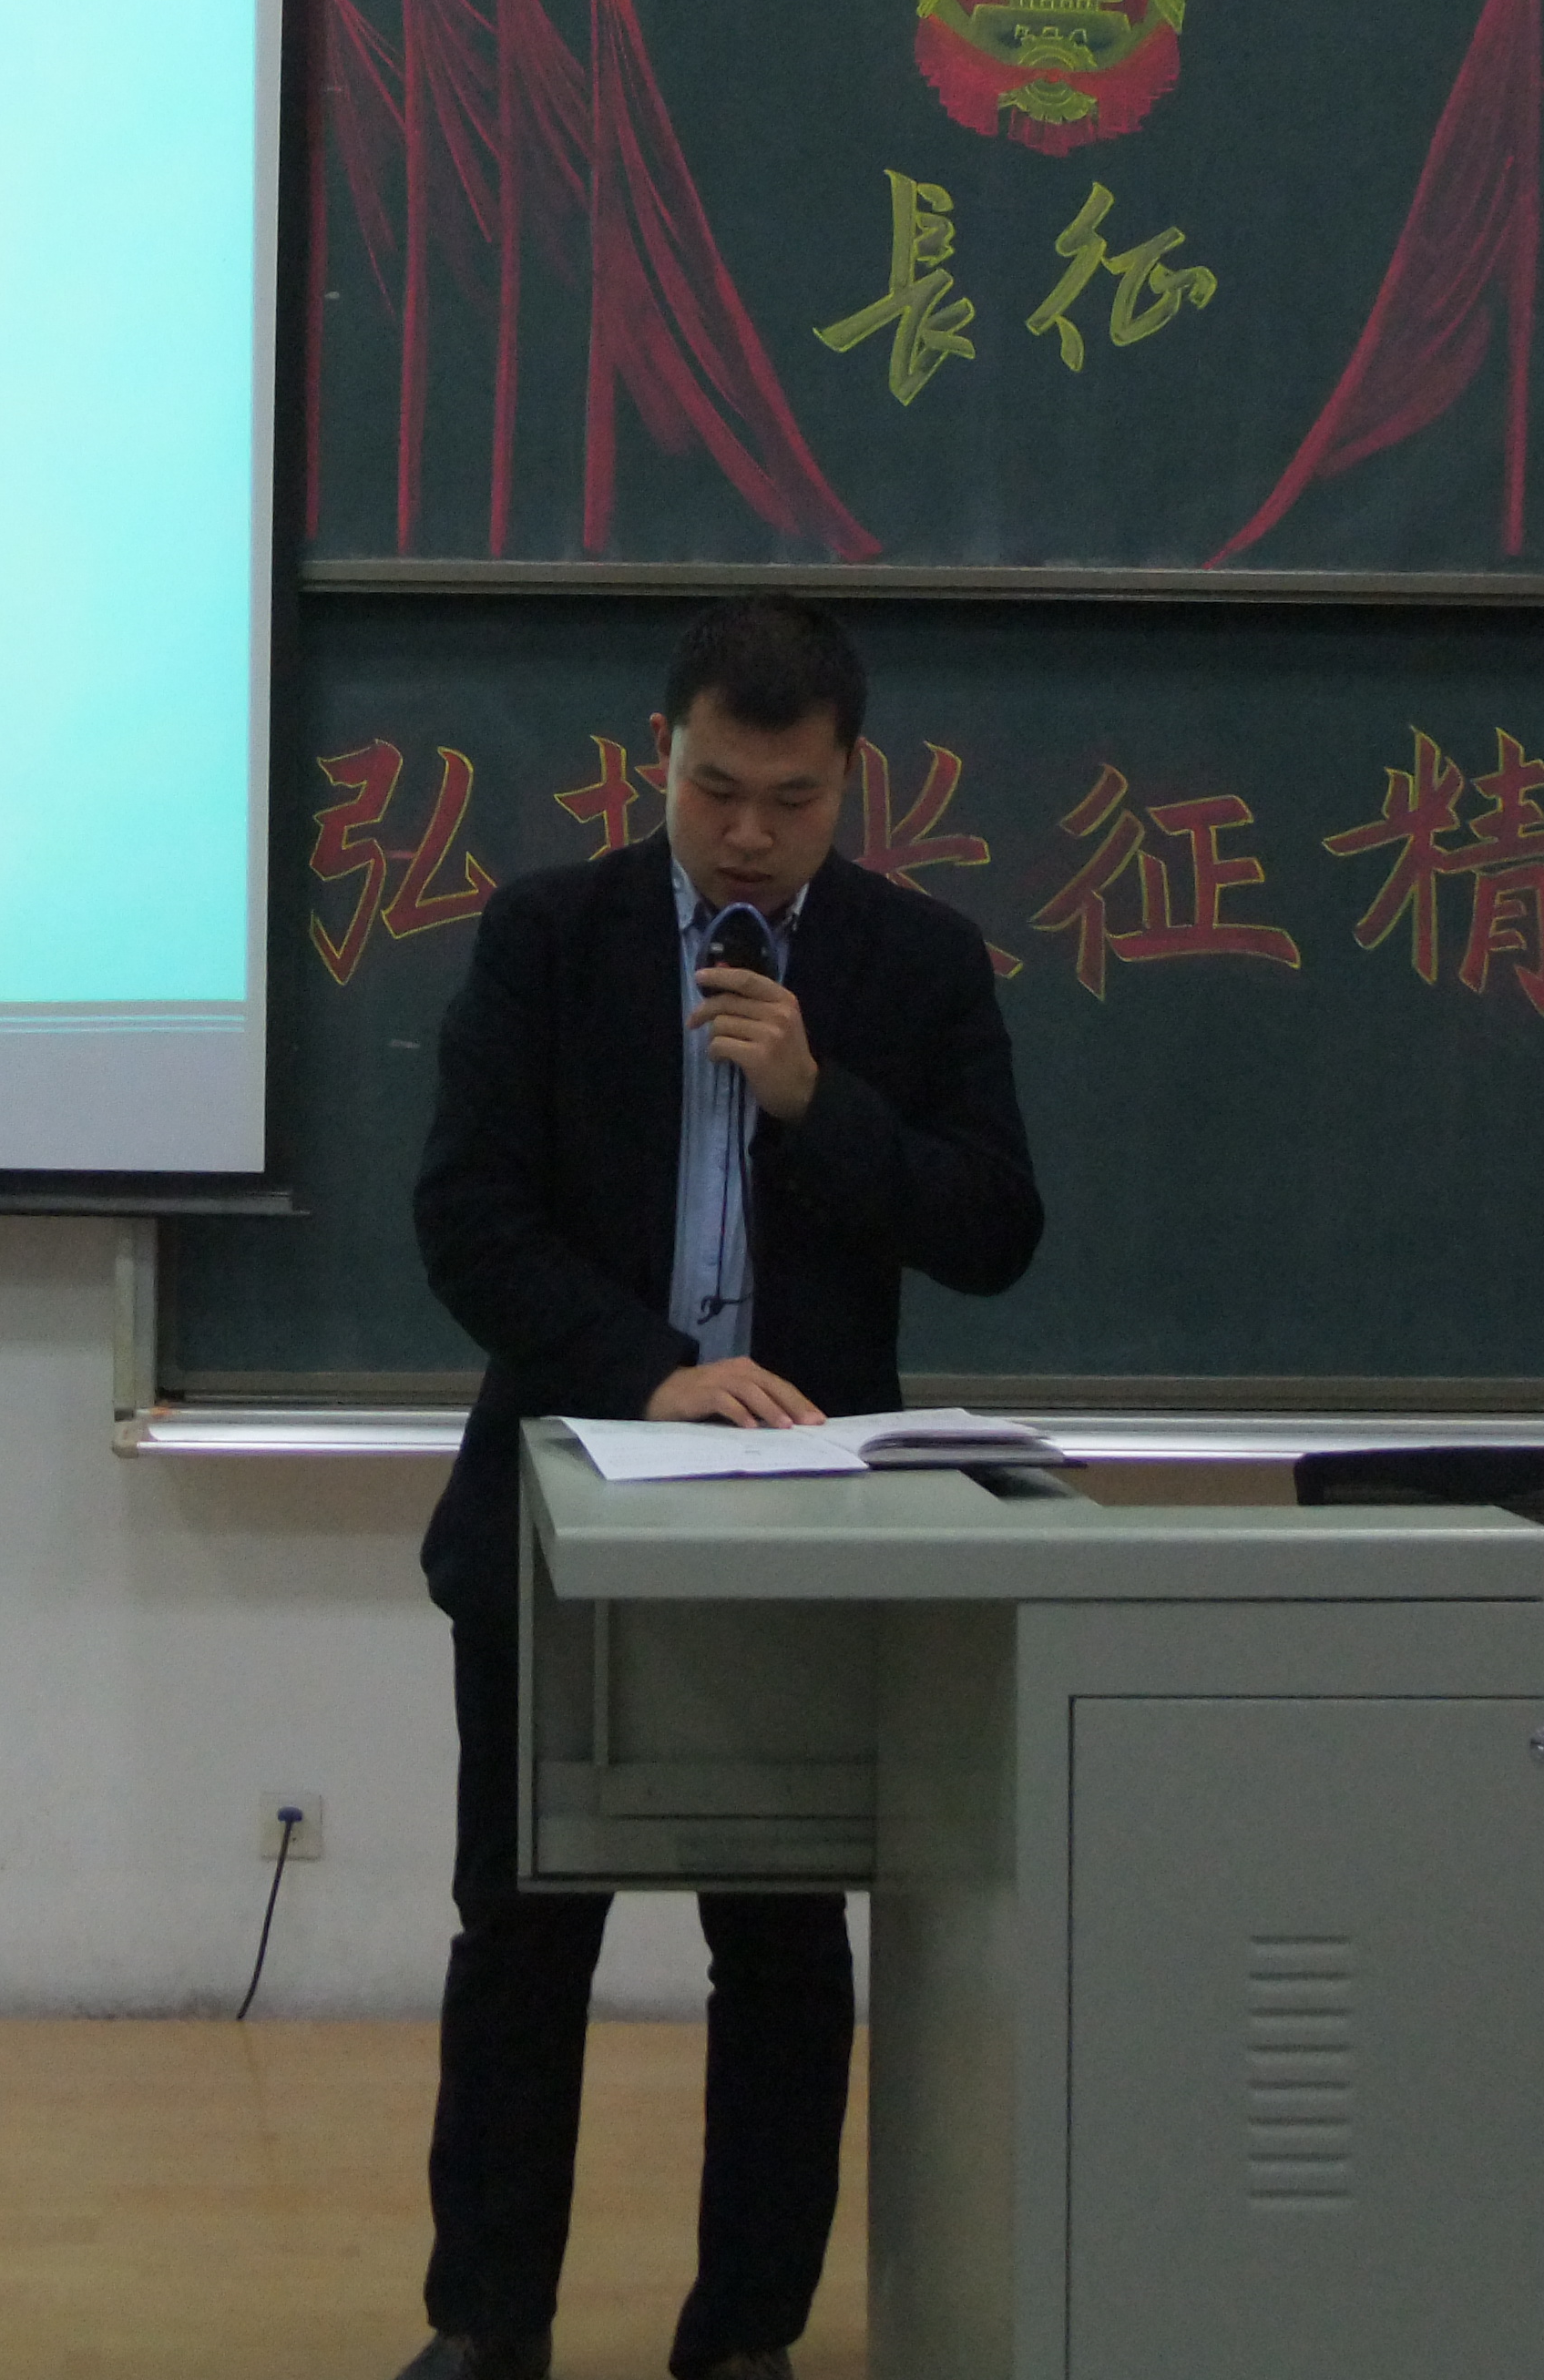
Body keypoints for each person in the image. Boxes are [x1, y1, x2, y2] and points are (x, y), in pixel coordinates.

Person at [396, 593, 1045, 2380]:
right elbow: (465, 1220)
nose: (747, 833)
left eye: (790, 799)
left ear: (850, 781)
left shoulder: (916, 964)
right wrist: (649, 1372)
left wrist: (820, 1100)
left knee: (780, 1947)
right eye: (713, 791)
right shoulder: (550, 939)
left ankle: (744, 2335)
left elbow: (995, 1228)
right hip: (561, 1514)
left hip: (810, 1537)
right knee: (519, 1932)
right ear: (657, 759)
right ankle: (486, 2325)